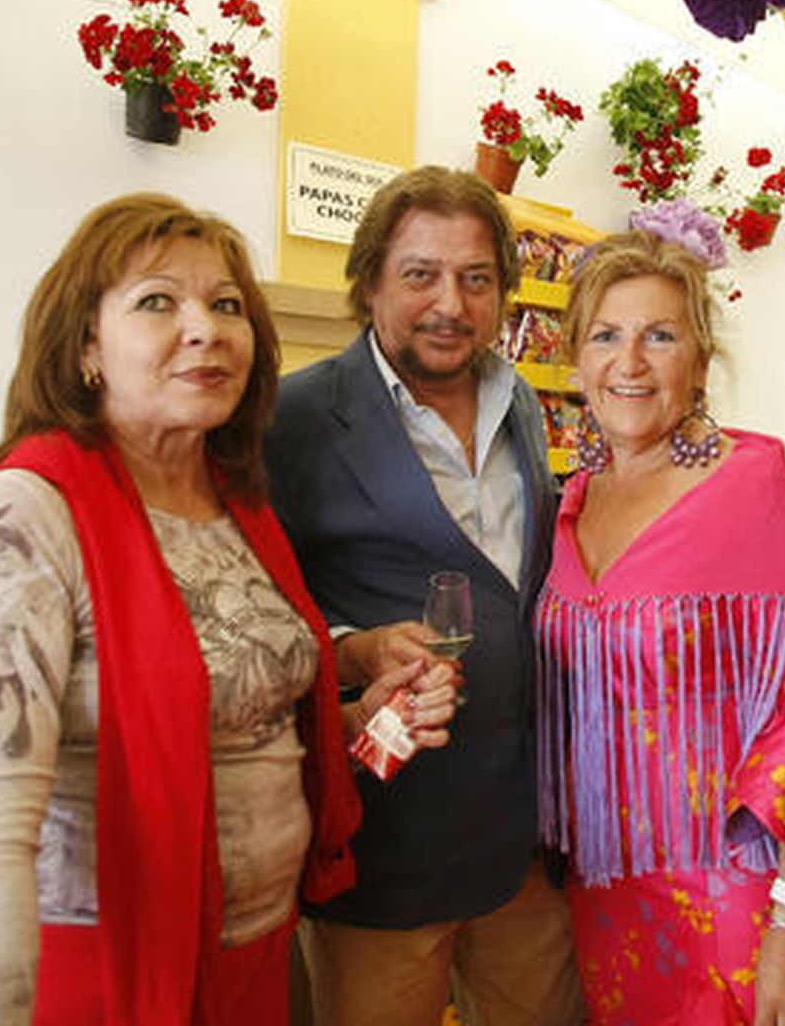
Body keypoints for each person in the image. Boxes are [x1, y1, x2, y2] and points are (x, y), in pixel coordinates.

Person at [0, 194, 443, 1023]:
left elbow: (233, 715)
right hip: (109, 976)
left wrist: (359, 716)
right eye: (158, 300)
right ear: (86, 342)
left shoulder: (238, 505)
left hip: (256, 958)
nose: (205, 328)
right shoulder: (23, 513)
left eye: (227, 304)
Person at [534, 229, 785, 1024]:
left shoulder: (748, 480)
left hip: (733, 889)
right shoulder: (577, 497)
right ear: (578, 359)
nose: (631, 362)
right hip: (608, 883)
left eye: (660, 335)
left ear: (699, 357)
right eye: (606, 336)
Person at [265, 166, 583, 1025]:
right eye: (420, 275)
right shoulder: (292, 416)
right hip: (384, 843)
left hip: (523, 838)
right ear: (368, 281)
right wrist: (353, 648)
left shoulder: (518, 398)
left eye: (477, 278)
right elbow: (257, 614)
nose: (451, 302)